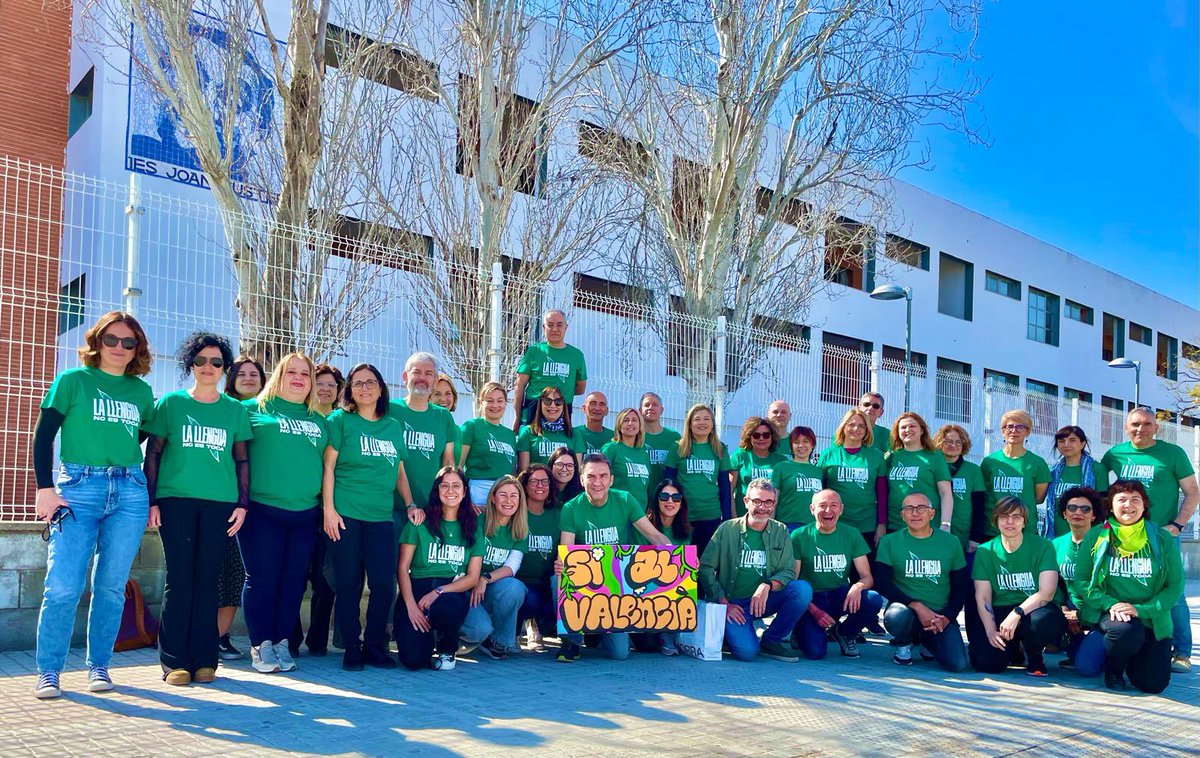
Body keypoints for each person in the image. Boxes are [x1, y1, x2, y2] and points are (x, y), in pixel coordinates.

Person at [32, 312, 155, 699]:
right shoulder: (73, 381)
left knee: (111, 587)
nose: (119, 348)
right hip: (77, 489)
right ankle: (49, 670)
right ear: (96, 342)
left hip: (130, 490)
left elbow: (139, 438)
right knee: (63, 586)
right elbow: (44, 434)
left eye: (128, 342)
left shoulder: (141, 391)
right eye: (111, 340)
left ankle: (99, 666)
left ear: (138, 349)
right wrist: (44, 488)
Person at [144, 332, 252, 686]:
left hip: (219, 504)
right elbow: (154, 453)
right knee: (180, 580)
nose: (209, 367)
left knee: (208, 582)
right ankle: (173, 661)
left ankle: (205, 659)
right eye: (202, 360)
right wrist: (152, 500)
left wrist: (242, 504)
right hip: (176, 503)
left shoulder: (234, 410)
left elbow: (241, 460)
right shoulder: (171, 404)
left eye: (217, 362)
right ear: (191, 364)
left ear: (225, 368)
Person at [238, 352, 330, 675]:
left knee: (293, 582)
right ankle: (260, 644)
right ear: (278, 375)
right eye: (291, 372)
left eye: (305, 374)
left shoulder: (321, 421)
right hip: (261, 511)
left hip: (305, 514)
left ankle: (280, 641)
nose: (298, 378)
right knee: (262, 579)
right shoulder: (251, 411)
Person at [323, 364, 413, 672]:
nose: (365, 388)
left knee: (384, 586)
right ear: (349, 388)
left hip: (380, 517)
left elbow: (399, 471)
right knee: (348, 584)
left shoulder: (392, 426)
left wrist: (411, 502)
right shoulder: (340, 420)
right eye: (358, 383)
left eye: (370, 382)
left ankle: (375, 644)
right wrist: (329, 510)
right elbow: (329, 468)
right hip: (346, 514)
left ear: (381, 387)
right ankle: (352, 645)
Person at [1101, 407, 1198, 673]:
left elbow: (1192, 492)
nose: (1140, 429)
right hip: (1125, 535)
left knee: (1173, 593)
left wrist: (1177, 525)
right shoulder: (1115, 454)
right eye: (1134, 424)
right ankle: (1133, 643)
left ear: (1156, 428)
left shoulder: (1173, 453)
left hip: (1162, 537)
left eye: (1146, 424)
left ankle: (1181, 652)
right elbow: (1100, 488)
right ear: (1126, 428)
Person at [554, 454, 671, 662]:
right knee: (558, 579)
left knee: (620, 654)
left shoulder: (624, 499)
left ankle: (596, 633)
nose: (597, 482)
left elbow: (653, 535)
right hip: (585, 581)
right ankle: (571, 641)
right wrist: (563, 564)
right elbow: (567, 550)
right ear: (581, 480)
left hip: (616, 583)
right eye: (590, 477)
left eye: (603, 476)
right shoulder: (571, 508)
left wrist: (679, 559)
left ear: (611, 479)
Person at [1070, 480, 1184, 693]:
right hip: (1112, 615)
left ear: (1144, 505)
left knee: (1153, 684)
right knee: (1092, 662)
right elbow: (1082, 580)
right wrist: (1111, 604)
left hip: (1151, 618)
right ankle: (1114, 667)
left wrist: (1139, 610)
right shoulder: (1097, 535)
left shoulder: (1162, 538)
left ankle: (1133, 657)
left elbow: (1174, 587)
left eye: (1135, 499)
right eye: (1121, 499)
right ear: (1111, 505)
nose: (1128, 505)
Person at [698, 480, 811, 662]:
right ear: (746, 501)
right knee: (747, 653)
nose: (762, 507)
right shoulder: (726, 529)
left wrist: (767, 585)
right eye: (757, 501)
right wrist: (723, 603)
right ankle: (731, 633)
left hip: (763, 600)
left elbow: (788, 571)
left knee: (802, 589)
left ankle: (771, 640)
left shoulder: (780, 530)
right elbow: (705, 568)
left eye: (768, 502)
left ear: (774, 504)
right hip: (733, 604)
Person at [396, 468, 483, 672]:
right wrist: (411, 607)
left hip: (450, 589)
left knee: (447, 607)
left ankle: (447, 649)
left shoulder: (472, 527)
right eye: (445, 485)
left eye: (456, 486)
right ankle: (426, 640)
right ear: (437, 490)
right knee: (413, 661)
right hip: (417, 588)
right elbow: (402, 568)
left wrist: (439, 591)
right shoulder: (419, 522)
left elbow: (473, 578)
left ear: (464, 492)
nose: (450, 490)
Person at [967, 497, 1065, 676]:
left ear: (1024, 521)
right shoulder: (985, 551)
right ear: (995, 520)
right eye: (1004, 516)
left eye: (1016, 516)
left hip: (1033, 609)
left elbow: (1047, 593)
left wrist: (1017, 613)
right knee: (987, 664)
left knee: (1043, 622)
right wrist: (990, 631)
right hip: (1000, 609)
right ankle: (1014, 648)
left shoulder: (1043, 546)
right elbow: (983, 596)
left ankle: (1034, 653)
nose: (1010, 521)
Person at [874, 492, 969, 671]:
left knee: (958, 664)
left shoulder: (951, 542)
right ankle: (904, 643)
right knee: (896, 617)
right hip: (907, 609)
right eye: (909, 509)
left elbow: (960, 587)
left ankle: (928, 640)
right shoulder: (890, 541)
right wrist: (916, 605)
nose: (915, 513)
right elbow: (882, 583)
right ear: (902, 515)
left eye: (921, 508)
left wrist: (947, 617)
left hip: (939, 614)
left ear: (932, 514)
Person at [288, 362, 343, 658]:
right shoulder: (302, 419)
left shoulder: (339, 421)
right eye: (319, 383)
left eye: (331, 385)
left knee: (325, 581)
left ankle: (318, 640)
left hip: (331, 513)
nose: (324, 389)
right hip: (302, 510)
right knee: (295, 576)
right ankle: (291, 637)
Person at [790, 490, 883, 660]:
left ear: (841, 509)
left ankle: (844, 632)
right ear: (812, 509)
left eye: (833, 506)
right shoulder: (799, 536)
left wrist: (857, 587)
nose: (828, 511)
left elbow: (867, 577)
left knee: (873, 599)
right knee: (815, 652)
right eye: (822, 506)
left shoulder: (851, 534)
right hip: (811, 600)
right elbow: (793, 583)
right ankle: (800, 629)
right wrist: (814, 611)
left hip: (839, 595)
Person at [216, 355, 265, 661]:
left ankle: (221, 636)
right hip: (223, 499)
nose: (248, 378)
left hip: (259, 505)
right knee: (216, 570)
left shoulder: (269, 413)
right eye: (241, 373)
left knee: (239, 573)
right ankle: (200, 634)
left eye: (254, 374)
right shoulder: (222, 409)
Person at [460, 476, 529, 659]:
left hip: (487, 587)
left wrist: (485, 578)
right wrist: (475, 579)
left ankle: (500, 642)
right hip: (465, 587)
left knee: (514, 587)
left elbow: (512, 567)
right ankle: (455, 640)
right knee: (479, 629)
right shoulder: (478, 520)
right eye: (503, 495)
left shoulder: (520, 528)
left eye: (514, 496)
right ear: (492, 498)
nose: (508, 501)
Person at [388, 352, 457, 535]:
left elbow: (448, 463)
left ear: (435, 380)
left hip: (430, 509)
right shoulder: (389, 410)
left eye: (428, 374)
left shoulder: (443, 417)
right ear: (405, 377)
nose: (422, 378)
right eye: (417, 372)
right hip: (391, 507)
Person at [664, 404, 733, 555]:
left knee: (704, 564)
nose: (702, 423)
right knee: (681, 562)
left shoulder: (720, 449)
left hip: (710, 515)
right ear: (689, 424)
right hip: (682, 515)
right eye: (697, 419)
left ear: (712, 423)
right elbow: (668, 483)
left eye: (706, 419)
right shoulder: (677, 448)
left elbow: (724, 486)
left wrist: (727, 518)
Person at [635, 479, 692, 656]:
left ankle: (669, 631)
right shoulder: (643, 528)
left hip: (671, 593)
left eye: (676, 497)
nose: (670, 501)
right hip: (643, 593)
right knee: (648, 646)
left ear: (682, 502)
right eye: (664, 496)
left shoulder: (685, 531)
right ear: (656, 499)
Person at [817, 408, 887, 553]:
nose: (856, 429)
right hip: (835, 523)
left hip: (867, 524)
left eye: (861, 426)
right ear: (844, 427)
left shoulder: (876, 456)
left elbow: (882, 493)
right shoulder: (828, 454)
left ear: (867, 430)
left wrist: (882, 524)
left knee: (864, 572)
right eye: (851, 424)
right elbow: (819, 492)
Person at [1052, 486, 1105, 670]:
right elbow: (1055, 584)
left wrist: (1081, 616)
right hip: (1071, 610)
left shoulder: (1105, 543)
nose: (1078, 512)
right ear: (1064, 514)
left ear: (1094, 515)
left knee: (1088, 668)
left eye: (1085, 509)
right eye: (1072, 508)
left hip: (1100, 611)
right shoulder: (1057, 544)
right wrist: (1064, 610)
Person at [980, 409, 1050, 538]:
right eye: (1009, 427)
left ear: (1027, 432)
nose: (1014, 431)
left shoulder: (1038, 463)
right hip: (993, 530)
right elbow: (985, 494)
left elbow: (1038, 498)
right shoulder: (989, 462)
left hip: (1025, 531)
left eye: (1020, 427)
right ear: (1003, 431)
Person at [513, 309, 587, 425]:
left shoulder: (576, 355)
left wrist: (557, 398)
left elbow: (580, 389)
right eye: (550, 325)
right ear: (544, 327)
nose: (554, 329)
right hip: (533, 411)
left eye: (559, 325)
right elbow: (519, 385)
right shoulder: (534, 351)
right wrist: (517, 417)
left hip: (562, 413)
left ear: (565, 328)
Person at [885, 412, 953, 535]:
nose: (907, 430)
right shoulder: (892, 456)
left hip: (926, 525)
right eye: (903, 427)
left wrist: (945, 523)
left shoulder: (935, 457)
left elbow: (945, 492)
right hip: (895, 524)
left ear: (922, 430)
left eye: (912, 426)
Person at [516, 464, 560, 651]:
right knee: (530, 600)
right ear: (525, 486)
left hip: (547, 581)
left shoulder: (559, 513)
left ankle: (546, 628)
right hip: (522, 583)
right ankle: (524, 627)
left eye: (545, 481)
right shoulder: (516, 513)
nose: (540, 485)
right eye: (534, 481)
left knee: (550, 608)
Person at [1044, 425, 1109, 539]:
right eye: (1061, 441)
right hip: (1056, 534)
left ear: (1083, 443)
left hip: (1087, 534)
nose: (1066, 444)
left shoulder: (1097, 469)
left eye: (1072, 440)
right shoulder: (1052, 471)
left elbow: (1102, 506)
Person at [459, 381, 518, 505]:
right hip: (477, 492)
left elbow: (512, 470)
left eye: (500, 401)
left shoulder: (510, 435)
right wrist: (465, 498)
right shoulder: (471, 427)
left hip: (504, 493)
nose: (495, 405)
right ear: (481, 402)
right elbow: (459, 465)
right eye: (490, 400)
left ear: (505, 404)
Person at [933, 424, 986, 556]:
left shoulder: (973, 470)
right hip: (933, 530)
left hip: (962, 534)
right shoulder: (931, 467)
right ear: (940, 442)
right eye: (948, 441)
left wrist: (975, 538)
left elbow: (979, 507)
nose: (953, 445)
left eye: (958, 442)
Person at [729, 416, 788, 516]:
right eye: (756, 435)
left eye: (766, 435)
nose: (761, 438)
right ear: (749, 437)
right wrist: (734, 518)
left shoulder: (782, 461)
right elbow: (729, 491)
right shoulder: (740, 456)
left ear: (772, 436)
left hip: (772, 519)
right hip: (743, 516)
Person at [771, 426, 823, 531]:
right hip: (787, 525)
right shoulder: (781, 467)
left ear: (812, 445)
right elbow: (773, 499)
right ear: (791, 446)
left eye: (806, 441)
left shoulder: (819, 471)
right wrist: (770, 526)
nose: (801, 445)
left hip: (813, 526)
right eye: (796, 442)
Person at [601, 408, 652, 508]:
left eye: (634, 420)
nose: (630, 423)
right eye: (625, 420)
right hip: (617, 509)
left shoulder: (643, 453)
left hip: (640, 512)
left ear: (640, 425)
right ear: (619, 426)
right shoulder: (611, 448)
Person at [516, 387, 575, 468]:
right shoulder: (527, 432)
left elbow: (576, 471)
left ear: (563, 405)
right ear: (540, 404)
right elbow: (524, 471)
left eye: (558, 402)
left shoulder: (574, 434)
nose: (553, 405)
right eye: (548, 401)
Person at [640, 392, 682, 489]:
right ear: (640, 410)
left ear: (662, 410)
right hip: (642, 495)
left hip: (665, 497)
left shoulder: (674, 437)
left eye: (655, 405)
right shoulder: (634, 436)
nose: (650, 407)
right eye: (646, 405)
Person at [573, 391, 613, 457]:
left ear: (607, 411)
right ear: (583, 408)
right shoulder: (574, 433)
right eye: (593, 403)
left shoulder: (613, 438)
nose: (597, 408)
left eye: (602, 404)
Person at [858, 392, 891, 456]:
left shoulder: (886, 434)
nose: (870, 408)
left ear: (881, 413)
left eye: (876, 406)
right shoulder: (846, 430)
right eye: (866, 404)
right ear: (858, 408)